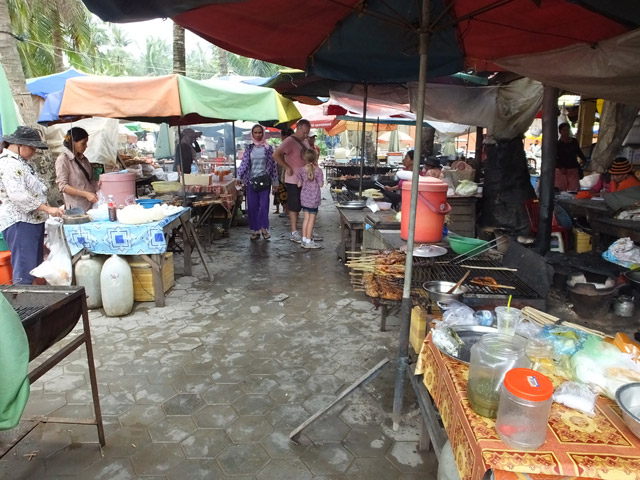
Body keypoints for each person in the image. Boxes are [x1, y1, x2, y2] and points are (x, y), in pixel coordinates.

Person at [0, 126, 64, 284]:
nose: (34, 151)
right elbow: (19, 196)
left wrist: (48, 209)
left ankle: (36, 305)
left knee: (35, 267)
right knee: (24, 271)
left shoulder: (22, 163)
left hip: (33, 221)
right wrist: (47, 209)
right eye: (32, 147)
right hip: (20, 222)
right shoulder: (9, 164)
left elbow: (37, 191)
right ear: (19, 145)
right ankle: (22, 306)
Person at [237, 124, 279, 240]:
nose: (258, 135)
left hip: (265, 182)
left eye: (260, 132)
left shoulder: (268, 148)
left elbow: (274, 166)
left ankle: (264, 228)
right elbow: (244, 163)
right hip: (251, 182)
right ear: (252, 134)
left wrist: (275, 183)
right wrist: (239, 177)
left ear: (263, 133)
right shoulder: (249, 148)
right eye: (255, 133)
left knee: (264, 206)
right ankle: (256, 230)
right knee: (253, 206)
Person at [274, 119, 311, 243]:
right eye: (304, 132)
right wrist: (286, 166)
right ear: (298, 128)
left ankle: (307, 230)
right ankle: (294, 231)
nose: (306, 135)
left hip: (306, 179)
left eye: (307, 133)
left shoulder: (305, 141)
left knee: (307, 204)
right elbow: (276, 155)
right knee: (294, 206)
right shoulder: (289, 141)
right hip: (293, 179)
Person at [55, 127, 98, 213]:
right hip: (76, 209)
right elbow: (63, 186)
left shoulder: (84, 159)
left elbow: (89, 181)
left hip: (91, 206)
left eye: (86, 143)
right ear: (73, 142)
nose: (86, 146)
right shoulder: (63, 160)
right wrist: (86, 194)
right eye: (83, 143)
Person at [296, 149, 323, 249]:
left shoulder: (301, 170)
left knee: (306, 219)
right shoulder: (318, 171)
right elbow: (320, 185)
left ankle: (304, 239)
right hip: (314, 198)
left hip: (304, 197)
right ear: (315, 158)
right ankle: (309, 240)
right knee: (312, 219)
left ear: (304, 158)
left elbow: (298, 185)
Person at [556, 122, 586, 192]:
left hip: (573, 168)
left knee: (574, 189)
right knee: (561, 190)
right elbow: (555, 158)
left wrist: (584, 159)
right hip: (561, 170)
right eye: (564, 130)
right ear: (560, 131)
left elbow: (578, 151)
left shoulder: (574, 141)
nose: (566, 132)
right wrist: (561, 167)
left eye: (568, 130)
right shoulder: (558, 144)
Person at [273, 128, 293, 217]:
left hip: (284, 173)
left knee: (284, 194)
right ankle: (288, 211)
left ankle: (288, 211)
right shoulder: (292, 145)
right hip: (286, 173)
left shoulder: (283, 146)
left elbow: (277, 160)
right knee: (288, 193)